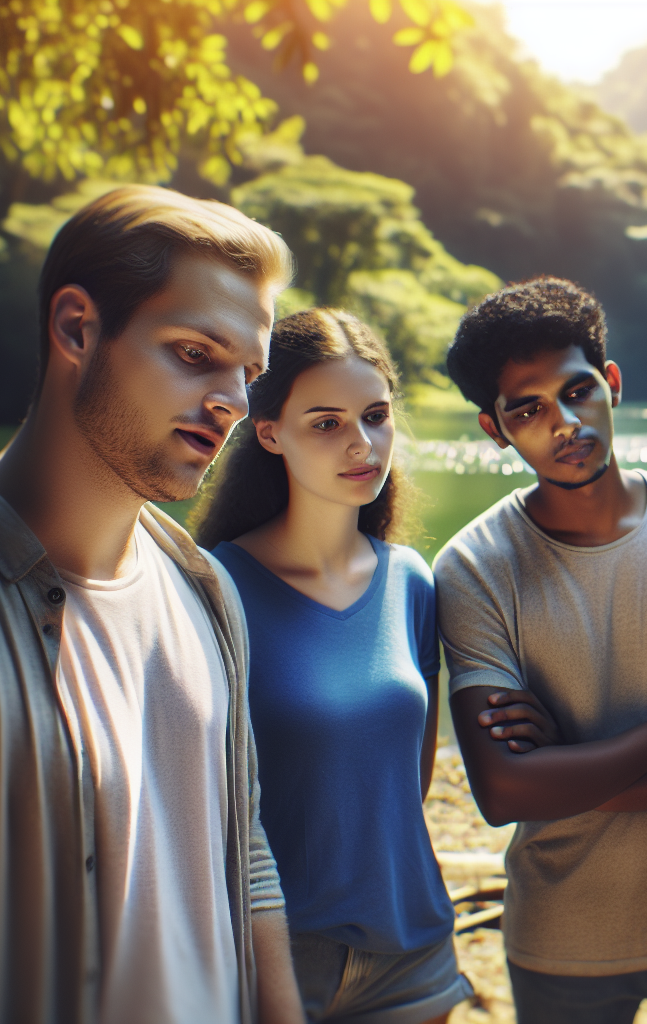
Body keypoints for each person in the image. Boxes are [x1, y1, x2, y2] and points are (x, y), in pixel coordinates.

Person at [0, 186, 304, 1023]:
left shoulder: (205, 588)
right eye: (195, 354)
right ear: (78, 328)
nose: (234, 403)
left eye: (248, 373)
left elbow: (240, 845)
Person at [432, 278, 647, 1024]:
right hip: (564, 934)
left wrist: (569, 770)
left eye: (576, 391)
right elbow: (503, 793)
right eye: (526, 409)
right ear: (495, 429)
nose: (562, 423)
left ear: (612, 385)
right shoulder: (473, 567)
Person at [190, 308, 474, 1024]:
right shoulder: (214, 589)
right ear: (269, 432)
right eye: (327, 423)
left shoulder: (412, 580)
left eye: (375, 417)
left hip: (413, 947)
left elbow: (409, 776)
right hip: (277, 960)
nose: (362, 444)